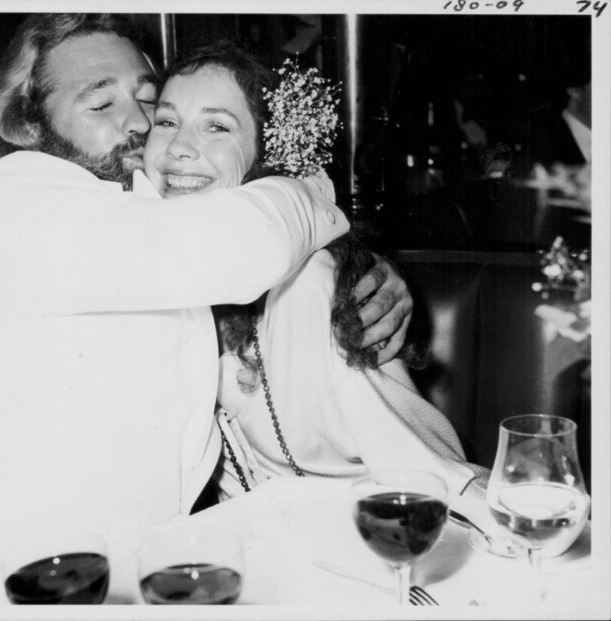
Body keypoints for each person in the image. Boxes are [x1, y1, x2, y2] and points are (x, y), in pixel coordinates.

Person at [0, 14, 408, 606]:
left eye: (150, 102)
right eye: (101, 105)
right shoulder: (12, 194)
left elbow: (217, 211)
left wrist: (358, 261)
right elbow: (246, 245)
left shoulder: (129, 205)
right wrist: (314, 189)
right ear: (27, 120)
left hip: (122, 579)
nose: (138, 123)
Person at [138, 42, 489, 500]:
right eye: (166, 122)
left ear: (267, 157)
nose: (180, 147)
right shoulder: (149, 265)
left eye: (217, 127)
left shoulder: (307, 288)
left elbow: (435, 481)